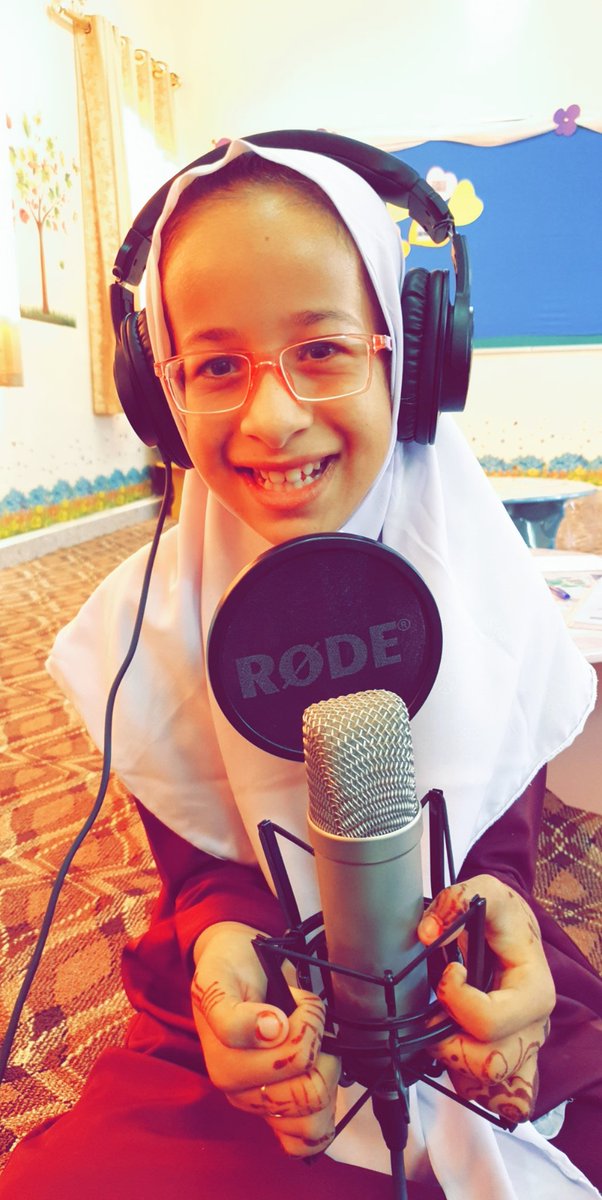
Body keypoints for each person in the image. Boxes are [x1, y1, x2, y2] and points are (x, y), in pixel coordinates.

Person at [1, 136, 601, 1200]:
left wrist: (498, 905)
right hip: (268, 1007)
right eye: (215, 367)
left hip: (460, 980)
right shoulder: (155, 624)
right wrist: (220, 940)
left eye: (321, 349)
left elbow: (500, 849)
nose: (272, 419)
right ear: (158, 395)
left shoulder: (484, 588)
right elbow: (201, 874)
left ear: (409, 358)